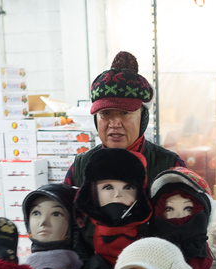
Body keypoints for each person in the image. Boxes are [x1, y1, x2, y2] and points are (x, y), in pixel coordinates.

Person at [64, 51, 186, 190]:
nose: (115, 123)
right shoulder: (80, 168)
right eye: (105, 113)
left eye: (125, 113)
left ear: (143, 118)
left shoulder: (170, 167)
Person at [74, 147, 152, 269]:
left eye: (128, 187)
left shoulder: (151, 232)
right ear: (93, 193)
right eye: (108, 187)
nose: (118, 194)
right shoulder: (81, 229)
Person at [149, 166, 214, 269]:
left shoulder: (201, 257)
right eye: (169, 209)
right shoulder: (149, 251)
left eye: (188, 208)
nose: (178, 215)